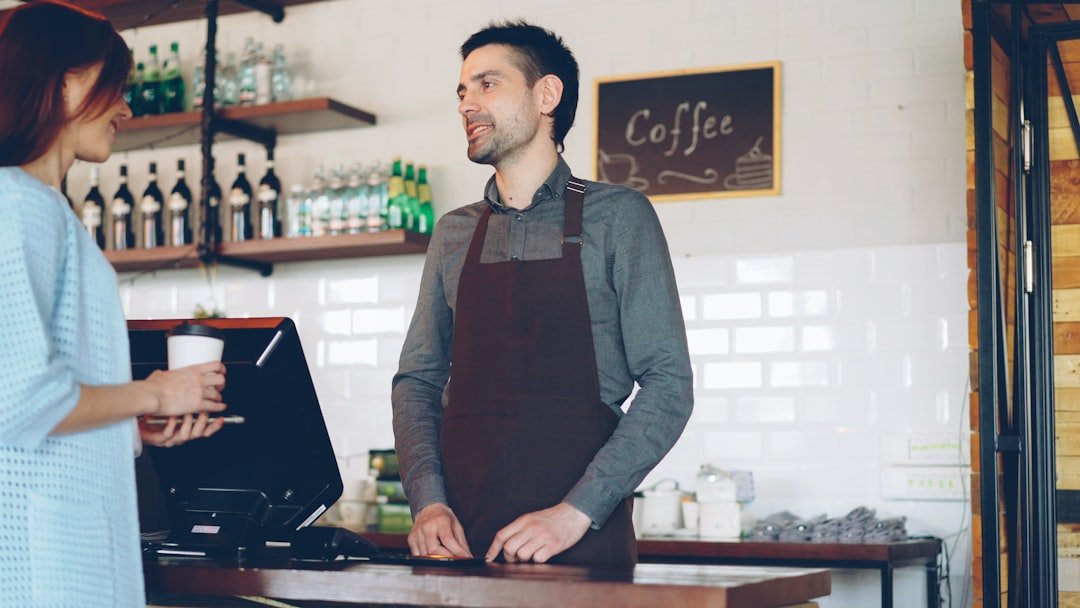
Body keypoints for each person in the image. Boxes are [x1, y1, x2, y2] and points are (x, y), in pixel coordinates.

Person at [392, 20, 693, 567]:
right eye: (462, 91)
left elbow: (669, 384)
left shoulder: (620, 218)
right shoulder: (453, 233)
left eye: (487, 84)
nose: (467, 105)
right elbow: (417, 382)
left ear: (546, 95)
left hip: (582, 547)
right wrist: (428, 503)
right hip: (459, 548)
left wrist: (576, 510)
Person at [0, 3, 228, 605]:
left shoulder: (44, 211)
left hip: (62, 551)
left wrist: (131, 424)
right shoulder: (16, 207)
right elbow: (20, 398)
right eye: (116, 86)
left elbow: (43, 398)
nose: (126, 108)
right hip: (38, 563)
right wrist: (157, 393)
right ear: (69, 84)